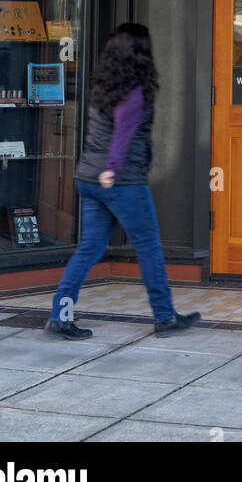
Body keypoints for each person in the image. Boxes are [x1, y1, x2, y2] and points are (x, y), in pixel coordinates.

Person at [46, 22, 200, 340]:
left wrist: (143, 155)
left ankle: (60, 315)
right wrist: (113, 170)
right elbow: (122, 134)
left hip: (88, 177)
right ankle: (165, 316)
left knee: (89, 248)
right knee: (149, 248)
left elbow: (108, 133)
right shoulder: (134, 90)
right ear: (141, 52)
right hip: (120, 181)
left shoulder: (103, 85)